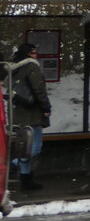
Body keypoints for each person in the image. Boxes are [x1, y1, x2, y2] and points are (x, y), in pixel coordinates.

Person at [5, 42, 52, 191]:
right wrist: (46, 107)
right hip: (32, 113)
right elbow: (39, 89)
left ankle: (25, 179)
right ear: (27, 54)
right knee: (34, 148)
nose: (35, 55)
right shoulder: (32, 67)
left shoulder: (14, 68)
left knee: (25, 146)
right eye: (32, 53)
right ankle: (13, 166)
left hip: (18, 113)